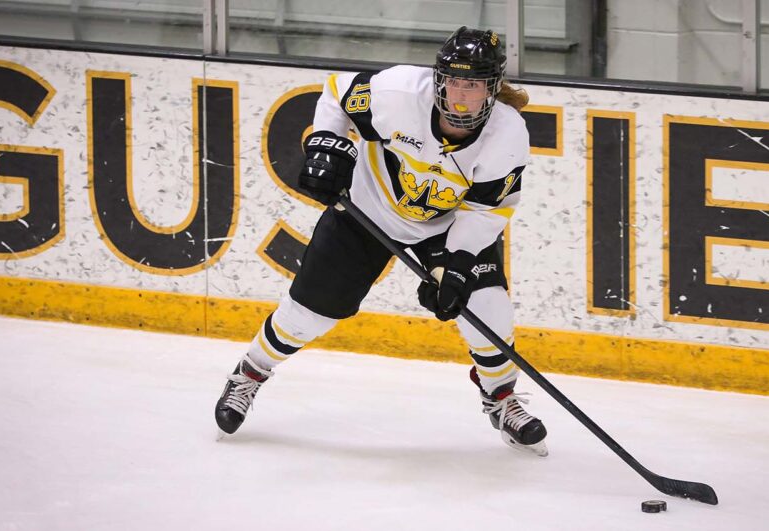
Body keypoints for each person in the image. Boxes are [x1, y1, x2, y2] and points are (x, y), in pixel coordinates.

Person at [215, 27, 547, 456]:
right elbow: (337, 94)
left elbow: (486, 209)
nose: (463, 96)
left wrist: (457, 264)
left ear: (493, 89)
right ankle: (250, 373)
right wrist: (327, 146)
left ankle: (500, 399)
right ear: (439, 80)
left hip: (447, 226)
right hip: (367, 210)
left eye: (475, 85)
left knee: (488, 310)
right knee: (308, 315)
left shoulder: (508, 133)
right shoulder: (398, 92)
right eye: (456, 83)